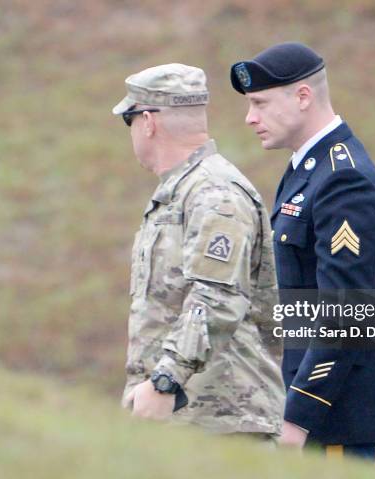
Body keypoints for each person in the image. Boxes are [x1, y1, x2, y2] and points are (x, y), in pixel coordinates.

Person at [230, 42, 375, 460]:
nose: (250, 117)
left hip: (332, 416)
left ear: (303, 96)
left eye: (260, 103)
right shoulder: (308, 168)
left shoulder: (343, 180)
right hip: (312, 409)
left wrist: (298, 415)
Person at [113, 63, 285, 436]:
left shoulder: (214, 193)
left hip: (223, 420)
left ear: (147, 122)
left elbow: (217, 299)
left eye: (128, 121)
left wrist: (165, 380)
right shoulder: (183, 191)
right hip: (187, 418)